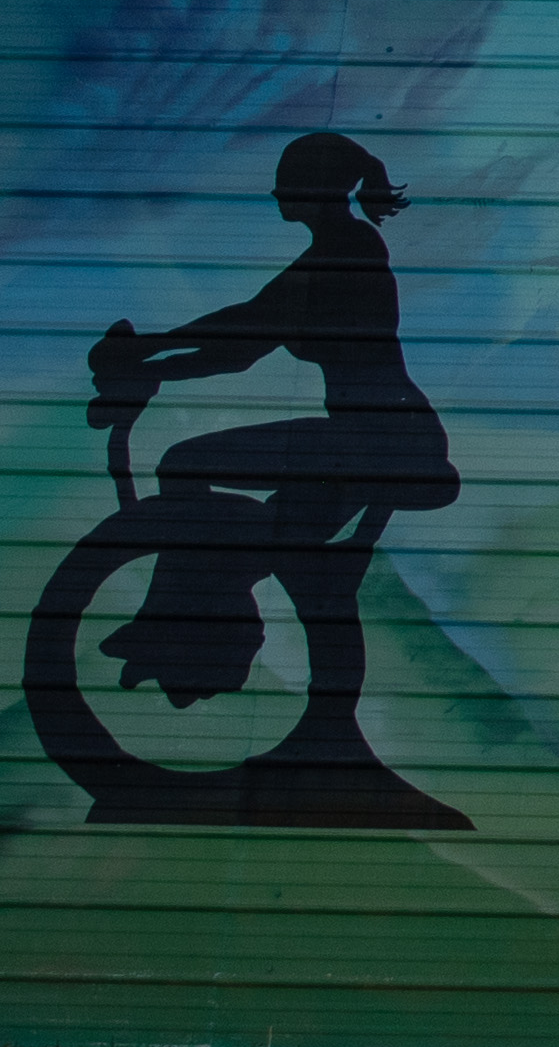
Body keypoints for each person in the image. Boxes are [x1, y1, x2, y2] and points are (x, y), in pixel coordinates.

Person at [83, 129, 462, 708]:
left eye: (285, 182)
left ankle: (194, 630)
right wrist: (151, 364)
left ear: (314, 187)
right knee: (264, 554)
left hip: (378, 439)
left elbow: (249, 324)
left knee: (184, 465)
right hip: (369, 442)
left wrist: (146, 352)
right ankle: (194, 637)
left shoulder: (346, 250)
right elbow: (239, 348)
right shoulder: (336, 251)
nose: (276, 193)